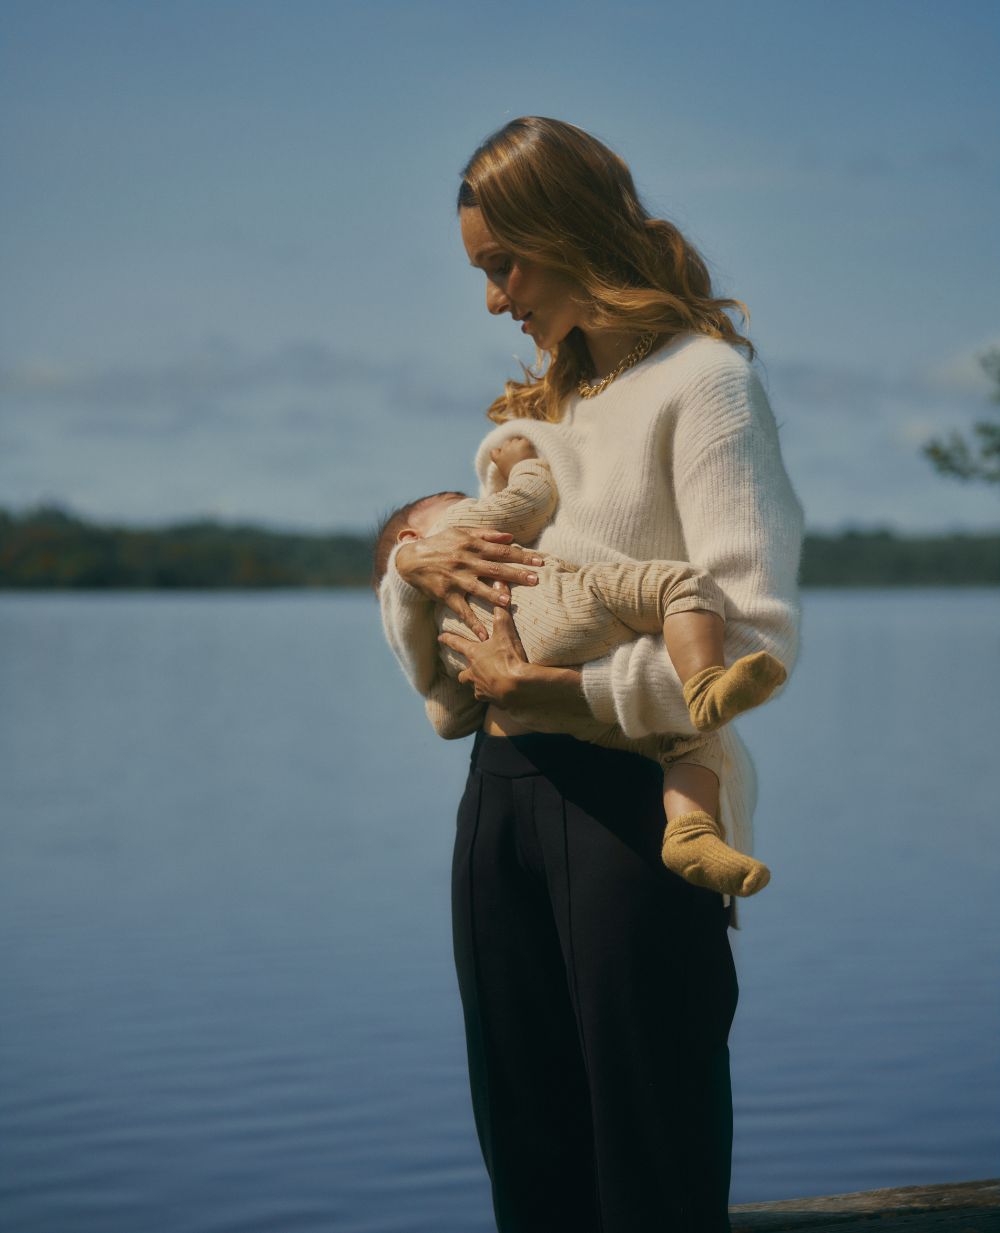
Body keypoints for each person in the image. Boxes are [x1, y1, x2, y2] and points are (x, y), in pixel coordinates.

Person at [378, 117, 804, 1233]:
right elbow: (491, 592)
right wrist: (414, 562)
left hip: (634, 812)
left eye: (501, 266)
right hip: (500, 805)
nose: (493, 301)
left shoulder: (704, 384)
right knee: (532, 1171)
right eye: (481, 273)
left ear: (566, 233)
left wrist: (561, 696)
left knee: (649, 1176)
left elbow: (751, 636)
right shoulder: (546, 411)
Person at [372, 436, 788, 898]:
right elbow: (530, 503)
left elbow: (448, 720)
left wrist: (479, 675)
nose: (469, 501)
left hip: (539, 715)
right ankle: (703, 683)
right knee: (681, 588)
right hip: (565, 613)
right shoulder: (457, 529)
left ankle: (690, 837)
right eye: (455, 500)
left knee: (681, 737)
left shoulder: (430, 631)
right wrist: (523, 464)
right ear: (411, 541)